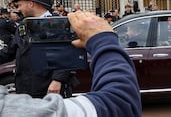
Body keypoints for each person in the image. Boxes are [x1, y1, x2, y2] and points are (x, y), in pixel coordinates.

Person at [0, 11, 142, 116]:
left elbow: (63, 55)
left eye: (19, 4)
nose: (17, 8)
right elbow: (120, 105)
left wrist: (58, 78)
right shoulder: (23, 27)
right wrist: (103, 40)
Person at [0, 0, 76, 98]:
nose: (18, 9)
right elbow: (9, 51)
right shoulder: (23, 25)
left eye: (20, 5)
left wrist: (57, 80)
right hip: (26, 88)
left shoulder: (57, 23)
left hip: (49, 89)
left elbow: (67, 54)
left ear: (30, 3)